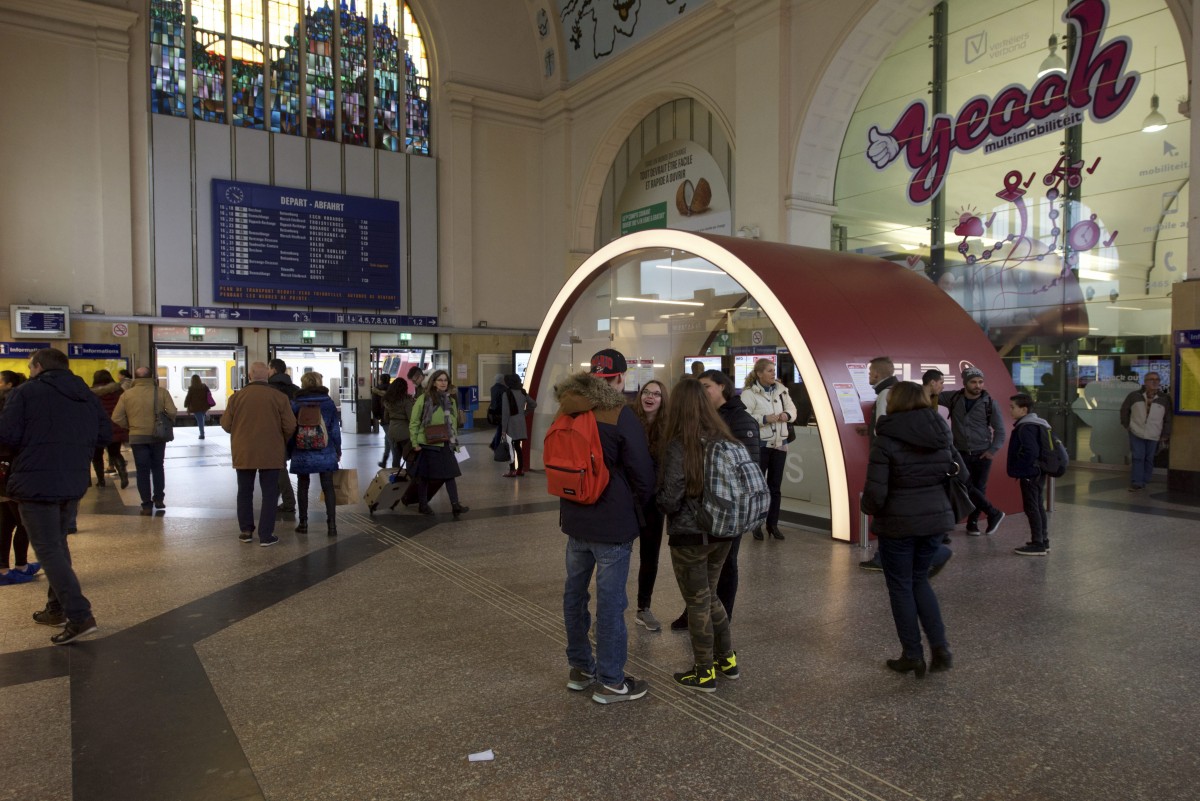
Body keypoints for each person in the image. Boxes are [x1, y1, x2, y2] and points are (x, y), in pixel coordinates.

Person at [557, 349, 656, 703]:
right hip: (612, 523)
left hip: (574, 517)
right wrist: (637, 507)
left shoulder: (567, 408)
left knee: (574, 594)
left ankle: (581, 670)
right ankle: (613, 681)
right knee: (611, 603)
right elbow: (642, 474)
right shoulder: (619, 413)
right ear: (620, 378)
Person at [0, 348, 110, 644]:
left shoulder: (26, 393)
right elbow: (104, 435)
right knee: (57, 545)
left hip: (35, 481)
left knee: (48, 549)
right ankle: (56, 608)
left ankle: (79, 615)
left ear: (37, 367)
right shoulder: (86, 394)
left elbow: (6, 436)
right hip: (72, 479)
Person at [860, 381, 960, 677]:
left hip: (898, 524)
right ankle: (940, 648)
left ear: (895, 402)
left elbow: (876, 494)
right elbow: (960, 473)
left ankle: (912, 654)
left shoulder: (886, 437)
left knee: (901, 587)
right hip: (934, 521)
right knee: (920, 581)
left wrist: (869, 508)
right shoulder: (940, 431)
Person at [656, 378, 742, 692]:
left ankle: (704, 671)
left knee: (697, 602)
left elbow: (672, 494)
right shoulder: (724, 437)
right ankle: (727, 660)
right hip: (723, 532)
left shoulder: (680, 442)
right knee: (710, 595)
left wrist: (658, 503)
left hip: (690, 534)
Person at [670, 369, 759, 631]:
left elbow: (748, 469)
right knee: (701, 569)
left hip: (729, 507)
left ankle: (723, 620)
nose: (702, 392)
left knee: (726, 564)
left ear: (722, 387)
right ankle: (694, 612)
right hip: (705, 507)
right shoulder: (705, 418)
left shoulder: (741, 421)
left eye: (707, 386)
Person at [222, 362, 297, 546]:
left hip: (244, 451)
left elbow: (225, 424)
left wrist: (240, 433)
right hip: (271, 451)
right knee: (269, 493)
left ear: (249, 376)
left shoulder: (236, 398)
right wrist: (279, 439)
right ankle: (266, 535)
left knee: (244, 492)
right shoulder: (279, 397)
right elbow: (290, 425)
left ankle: (246, 531)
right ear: (267, 377)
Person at [939, 367, 1006, 536]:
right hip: (960, 452)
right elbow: (930, 395)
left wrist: (992, 450)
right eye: (973, 382)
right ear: (965, 383)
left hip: (982, 453)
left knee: (979, 488)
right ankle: (993, 513)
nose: (978, 385)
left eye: (980, 382)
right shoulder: (953, 398)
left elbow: (1000, 430)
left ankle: (973, 523)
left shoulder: (990, 402)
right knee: (963, 486)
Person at [740, 358, 797, 540]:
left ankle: (772, 524)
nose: (774, 373)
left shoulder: (782, 391)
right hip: (760, 446)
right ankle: (756, 524)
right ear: (759, 373)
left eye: (774, 370)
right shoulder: (749, 393)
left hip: (779, 444)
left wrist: (785, 415)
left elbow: (793, 411)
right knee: (758, 488)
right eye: (769, 370)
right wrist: (764, 419)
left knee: (775, 487)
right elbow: (744, 416)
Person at [112, 366, 177, 515]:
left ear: (135, 377)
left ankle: (146, 505)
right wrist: (166, 421)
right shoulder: (161, 392)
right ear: (152, 376)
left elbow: (116, 417)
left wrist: (130, 426)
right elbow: (172, 411)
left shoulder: (127, 395)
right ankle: (159, 498)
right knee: (158, 467)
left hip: (137, 436)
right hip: (158, 436)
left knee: (142, 470)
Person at [631, 379, 669, 631]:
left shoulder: (668, 429)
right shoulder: (629, 422)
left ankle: (644, 607)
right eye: (646, 392)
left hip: (654, 503)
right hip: (627, 500)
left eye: (656, 394)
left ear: (663, 400)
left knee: (650, 557)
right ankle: (606, 613)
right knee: (616, 556)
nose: (650, 397)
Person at [408, 369, 469, 517]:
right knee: (425, 476)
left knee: (450, 475)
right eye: (440, 380)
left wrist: (454, 442)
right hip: (428, 443)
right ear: (433, 382)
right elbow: (414, 422)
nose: (443, 383)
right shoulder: (424, 399)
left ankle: (455, 505)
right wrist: (415, 442)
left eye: (445, 380)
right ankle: (423, 505)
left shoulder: (451, 401)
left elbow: (453, 423)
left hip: (446, 443)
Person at [290, 371, 342, 537]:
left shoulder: (296, 403)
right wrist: (337, 449)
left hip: (302, 450)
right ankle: (332, 526)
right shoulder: (328, 403)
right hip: (325, 450)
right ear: (319, 383)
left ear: (303, 384)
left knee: (303, 485)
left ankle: (303, 523)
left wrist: (290, 448)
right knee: (328, 486)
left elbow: (291, 428)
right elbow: (334, 429)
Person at [1, 370, 40, 586]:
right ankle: (21, 566)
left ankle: (4, 569)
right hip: (14, 471)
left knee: (5, 521)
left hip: (3, 472)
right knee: (22, 521)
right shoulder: (15, 412)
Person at [1007, 393, 1051, 556]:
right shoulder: (1037, 423)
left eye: (1013, 407)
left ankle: (1038, 543)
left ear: (1023, 409)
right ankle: (1043, 540)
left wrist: (1021, 466)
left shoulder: (1026, 427)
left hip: (1030, 472)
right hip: (1038, 471)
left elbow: (1031, 451)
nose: (1010, 410)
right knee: (1038, 505)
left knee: (1032, 507)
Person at [1119, 371, 1172, 492]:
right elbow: (1124, 410)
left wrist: (1165, 434)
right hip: (1136, 431)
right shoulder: (1134, 396)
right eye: (1151, 379)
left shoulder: (1164, 398)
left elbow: (1168, 417)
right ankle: (1137, 482)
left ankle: (1145, 479)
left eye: (1157, 380)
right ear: (1145, 382)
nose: (1155, 382)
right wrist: (1126, 425)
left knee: (1149, 457)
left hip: (1154, 432)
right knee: (1138, 456)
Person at [267, 359, 299, 513]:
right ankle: (280, 500)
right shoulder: (295, 389)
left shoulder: (269, 389)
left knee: (279, 468)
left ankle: (288, 502)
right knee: (280, 466)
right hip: (294, 432)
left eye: (269, 368)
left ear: (273, 370)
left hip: (275, 433)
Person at [90, 370, 129, 489]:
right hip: (115, 426)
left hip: (97, 427)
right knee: (115, 453)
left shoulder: (91, 394)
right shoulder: (119, 391)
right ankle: (123, 477)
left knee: (97, 456)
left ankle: (101, 481)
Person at [500, 373, 537, 478]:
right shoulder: (522, 392)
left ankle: (512, 470)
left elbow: (506, 413)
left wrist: (503, 429)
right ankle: (520, 469)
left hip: (511, 423)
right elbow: (533, 404)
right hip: (521, 422)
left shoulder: (506, 394)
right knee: (517, 446)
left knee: (510, 447)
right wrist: (524, 413)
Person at [382, 377, 414, 476]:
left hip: (392, 431)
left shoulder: (387, 400)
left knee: (396, 457)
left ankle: (394, 478)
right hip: (405, 432)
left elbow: (385, 418)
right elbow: (411, 417)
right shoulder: (406, 400)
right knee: (409, 457)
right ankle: (409, 477)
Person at [183, 373, 212, 439]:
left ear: (192, 380)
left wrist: (186, 404)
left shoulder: (192, 388)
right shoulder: (204, 387)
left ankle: (202, 434)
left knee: (200, 420)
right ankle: (202, 433)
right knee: (202, 419)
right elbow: (209, 394)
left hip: (196, 407)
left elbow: (188, 397)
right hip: (204, 406)